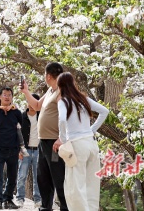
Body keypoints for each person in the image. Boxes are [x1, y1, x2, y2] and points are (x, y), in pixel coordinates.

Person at [56, 72, 109, 211]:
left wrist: (63, 139)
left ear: (60, 86)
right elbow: (104, 111)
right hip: (91, 143)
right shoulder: (83, 99)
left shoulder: (63, 101)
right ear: (73, 83)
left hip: (77, 144)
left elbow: (62, 120)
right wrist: (92, 130)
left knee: (75, 184)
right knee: (92, 183)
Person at [21, 62, 69, 211]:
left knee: (57, 174)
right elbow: (36, 106)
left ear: (48, 76)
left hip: (54, 142)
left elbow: (65, 117)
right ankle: (45, 206)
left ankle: (65, 207)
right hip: (43, 141)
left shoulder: (61, 91)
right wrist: (26, 92)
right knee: (43, 175)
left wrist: (61, 138)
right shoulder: (50, 90)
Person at [0, 87, 23, 210]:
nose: (7, 97)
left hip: (13, 149)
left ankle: (8, 199)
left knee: (12, 176)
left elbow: (21, 129)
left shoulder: (17, 113)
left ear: (12, 97)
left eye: (9, 95)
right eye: (4, 94)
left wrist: (20, 148)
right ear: (0, 96)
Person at [17, 94, 41, 206]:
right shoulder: (21, 117)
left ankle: (38, 200)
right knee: (22, 176)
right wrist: (19, 150)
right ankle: (20, 198)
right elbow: (17, 135)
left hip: (38, 150)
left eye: (34, 102)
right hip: (24, 150)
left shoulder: (42, 116)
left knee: (38, 177)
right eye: (29, 102)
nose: (31, 105)